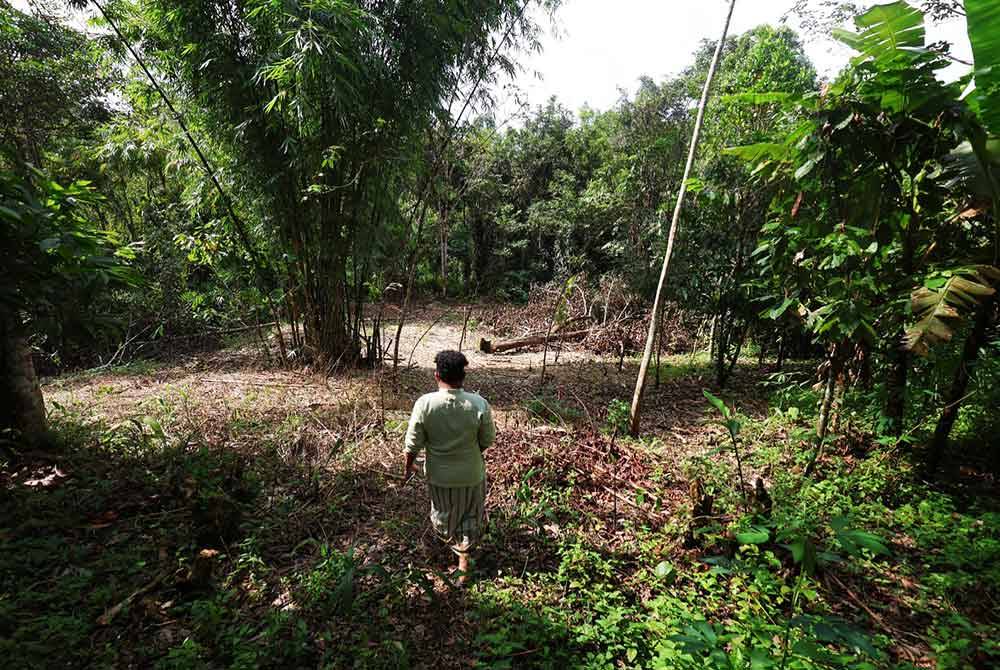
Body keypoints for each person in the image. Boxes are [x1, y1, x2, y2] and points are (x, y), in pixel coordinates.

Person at [403, 350, 495, 584]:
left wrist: (409, 466)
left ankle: (460, 559)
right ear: (463, 376)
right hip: (472, 474)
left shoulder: (425, 404)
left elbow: (412, 443)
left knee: (443, 519)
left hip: (440, 476)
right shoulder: (479, 404)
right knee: (471, 517)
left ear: (436, 375)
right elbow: (487, 440)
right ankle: (464, 557)